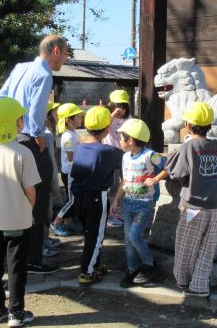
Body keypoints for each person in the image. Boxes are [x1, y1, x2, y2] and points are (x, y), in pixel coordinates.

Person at [145, 102, 217, 298]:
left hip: (192, 208)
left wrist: (155, 178)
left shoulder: (187, 147)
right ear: (209, 125)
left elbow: (173, 169)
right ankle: (200, 286)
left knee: (185, 246)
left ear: (188, 125)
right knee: (207, 249)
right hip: (214, 208)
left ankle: (182, 280)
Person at [0, 34, 68, 274]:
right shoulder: (44, 74)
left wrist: (7, 126)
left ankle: (12, 256)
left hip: (9, 138)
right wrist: (39, 138)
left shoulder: (20, 67)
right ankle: (34, 259)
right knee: (38, 203)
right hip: (30, 140)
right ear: (56, 50)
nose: (65, 58)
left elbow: (0, 99)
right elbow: (36, 114)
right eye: (66, 53)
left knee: (13, 199)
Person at [0, 98, 40, 326]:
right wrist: (27, 209)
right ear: (17, 123)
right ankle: (16, 313)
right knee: (16, 267)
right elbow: (30, 190)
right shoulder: (23, 153)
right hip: (19, 220)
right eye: (20, 117)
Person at [70, 106, 124, 287]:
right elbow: (126, 158)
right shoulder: (107, 151)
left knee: (89, 234)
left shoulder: (80, 147)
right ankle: (87, 272)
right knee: (96, 236)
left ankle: (95, 265)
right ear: (107, 128)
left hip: (78, 196)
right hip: (96, 197)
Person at [110, 119, 166, 288]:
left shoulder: (151, 155)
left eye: (121, 137)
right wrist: (117, 199)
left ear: (131, 140)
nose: (119, 140)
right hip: (128, 203)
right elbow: (125, 181)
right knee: (128, 238)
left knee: (134, 235)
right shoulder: (126, 157)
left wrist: (155, 179)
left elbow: (168, 166)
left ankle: (150, 264)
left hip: (144, 204)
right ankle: (132, 269)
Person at [50, 103, 84, 237]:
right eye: (78, 116)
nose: (81, 118)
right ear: (68, 120)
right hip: (70, 173)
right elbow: (71, 157)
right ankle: (55, 223)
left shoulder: (72, 133)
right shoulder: (68, 136)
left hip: (73, 172)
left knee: (73, 199)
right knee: (71, 201)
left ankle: (67, 223)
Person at [103, 89, 132, 228]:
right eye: (116, 105)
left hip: (124, 153)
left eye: (122, 105)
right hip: (110, 152)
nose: (120, 108)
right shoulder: (107, 116)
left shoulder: (129, 119)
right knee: (113, 185)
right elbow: (102, 126)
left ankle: (120, 211)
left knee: (126, 182)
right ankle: (111, 215)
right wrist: (112, 115)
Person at [43, 101, 62, 257]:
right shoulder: (47, 135)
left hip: (43, 179)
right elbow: (50, 161)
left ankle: (46, 239)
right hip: (47, 179)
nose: (57, 115)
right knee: (45, 212)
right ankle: (43, 243)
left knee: (46, 212)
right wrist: (54, 183)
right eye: (54, 112)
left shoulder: (47, 132)